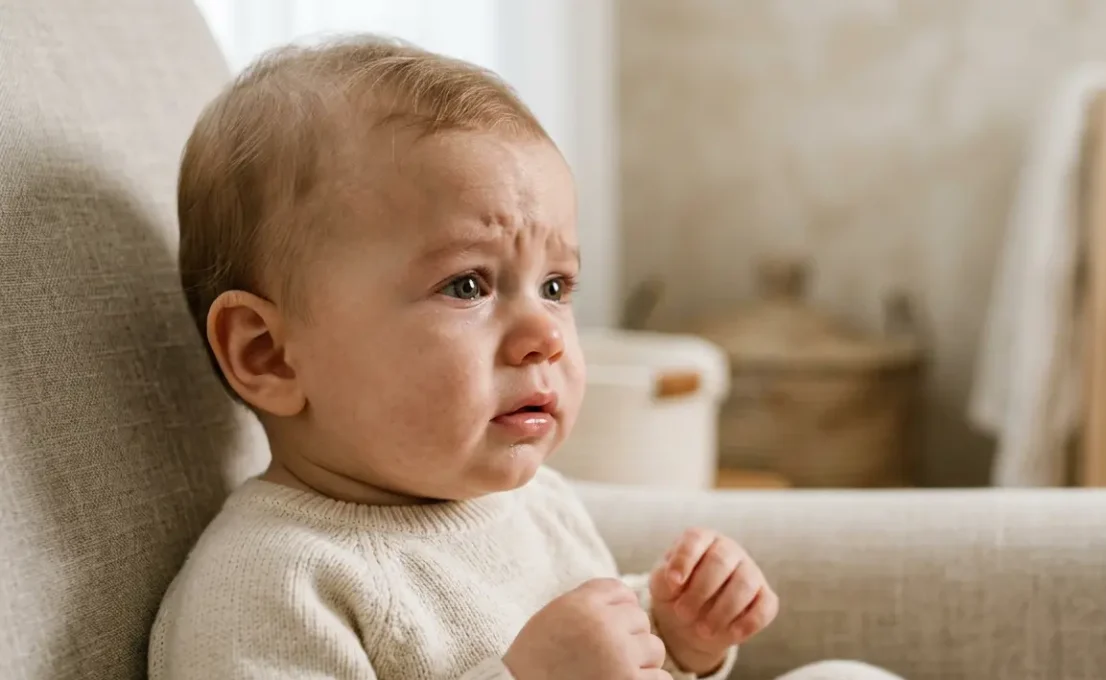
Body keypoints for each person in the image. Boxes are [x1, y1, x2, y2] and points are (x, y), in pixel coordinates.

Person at [148, 34, 903, 680]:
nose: (544, 333)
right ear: (270, 355)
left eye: (555, 285)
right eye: (467, 284)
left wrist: (676, 639)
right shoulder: (270, 581)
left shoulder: (534, 505)